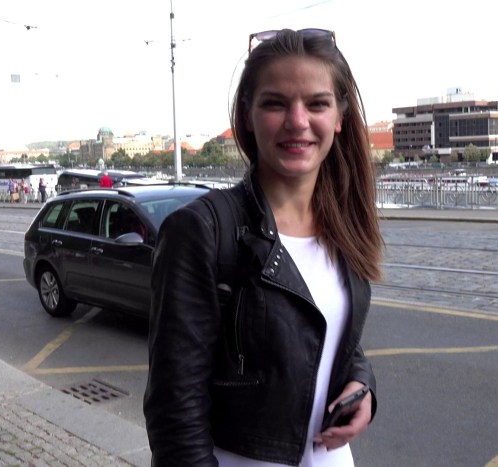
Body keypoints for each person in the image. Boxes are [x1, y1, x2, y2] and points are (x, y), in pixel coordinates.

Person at [144, 28, 383, 466]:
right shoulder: (201, 231)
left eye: (317, 104)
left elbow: (329, 335)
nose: (297, 121)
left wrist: (361, 384)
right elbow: (174, 412)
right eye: (275, 103)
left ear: (340, 116)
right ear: (247, 115)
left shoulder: (343, 226)